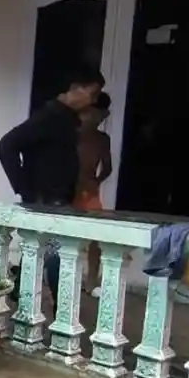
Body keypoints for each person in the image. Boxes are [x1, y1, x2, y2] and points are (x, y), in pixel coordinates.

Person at [0, 66, 105, 304]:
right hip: (46, 202)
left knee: (43, 255)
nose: (93, 100)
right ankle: (56, 311)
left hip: (59, 201)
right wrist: (25, 190)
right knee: (59, 258)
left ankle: (40, 306)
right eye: (93, 93)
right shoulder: (50, 116)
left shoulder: (66, 119)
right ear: (76, 88)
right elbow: (8, 144)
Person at [76, 92, 113, 295]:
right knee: (57, 234)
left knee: (96, 237)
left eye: (100, 115)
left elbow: (108, 167)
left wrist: (96, 180)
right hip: (68, 189)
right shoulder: (71, 133)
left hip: (89, 192)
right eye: (91, 113)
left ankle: (91, 281)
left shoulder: (102, 139)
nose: (95, 118)